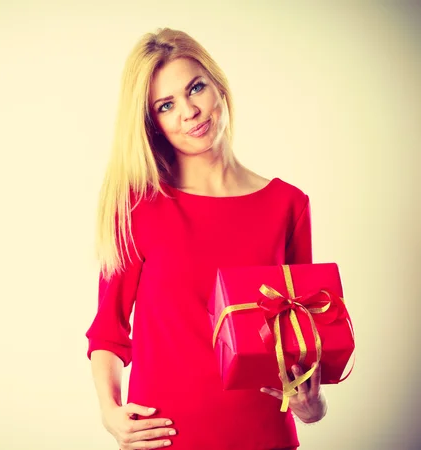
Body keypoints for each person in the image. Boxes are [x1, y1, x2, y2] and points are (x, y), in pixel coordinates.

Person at [85, 28, 328, 450]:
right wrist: (110, 412)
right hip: (165, 436)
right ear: (153, 124)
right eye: (166, 105)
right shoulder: (137, 206)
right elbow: (108, 330)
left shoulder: (288, 204)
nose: (190, 111)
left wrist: (313, 404)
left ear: (218, 86)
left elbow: (302, 335)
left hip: (263, 435)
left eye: (195, 87)